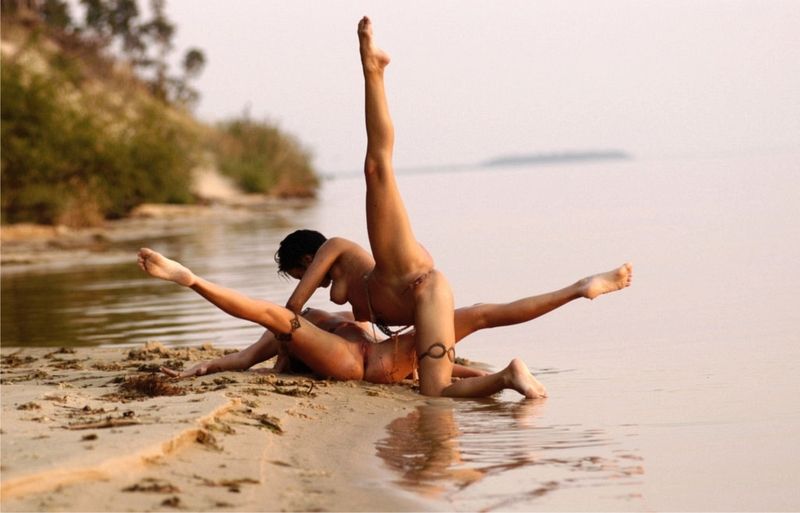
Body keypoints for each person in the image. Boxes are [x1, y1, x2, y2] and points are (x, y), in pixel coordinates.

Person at [138, 248, 633, 397]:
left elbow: (246, 358)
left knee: (273, 315)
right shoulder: (347, 307)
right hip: (391, 355)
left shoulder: (309, 321)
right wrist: (458, 367)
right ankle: (576, 289)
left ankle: (194, 280)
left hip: (358, 363)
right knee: (484, 313)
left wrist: (205, 368)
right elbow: (418, 365)